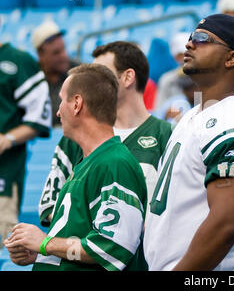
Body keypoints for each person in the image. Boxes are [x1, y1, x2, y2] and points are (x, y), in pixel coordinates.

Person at [143, 14, 234, 271]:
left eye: (202, 38)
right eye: (190, 37)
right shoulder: (195, 116)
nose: (189, 44)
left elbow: (226, 223)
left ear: (232, 58)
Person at [4, 64, 147, 271]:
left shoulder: (115, 164)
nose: (58, 111)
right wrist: (42, 253)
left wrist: (46, 243)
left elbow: (111, 249)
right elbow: (78, 245)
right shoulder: (88, 163)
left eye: (62, 100)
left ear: (77, 104)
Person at [38, 41, 172, 227]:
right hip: (89, 253)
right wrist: (98, 234)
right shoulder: (75, 135)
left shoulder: (168, 135)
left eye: (100, 73)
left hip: (148, 254)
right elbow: (50, 207)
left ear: (127, 77)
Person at [0, 42, 51, 248]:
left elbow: (39, 120)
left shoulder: (18, 60)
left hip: (4, 174)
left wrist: (7, 139)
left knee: (4, 242)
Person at [32, 20, 80, 127]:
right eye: (56, 53)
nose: (64, 56)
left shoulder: (80, 73)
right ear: (41, 54)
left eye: (64, 49)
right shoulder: (30, 77)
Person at [153, 32, 191, 110]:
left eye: (188, 53)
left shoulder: (204, 76)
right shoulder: (167, 80)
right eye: (181, 54)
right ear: (175, 56)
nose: (185, 58)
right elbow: (159, 110)